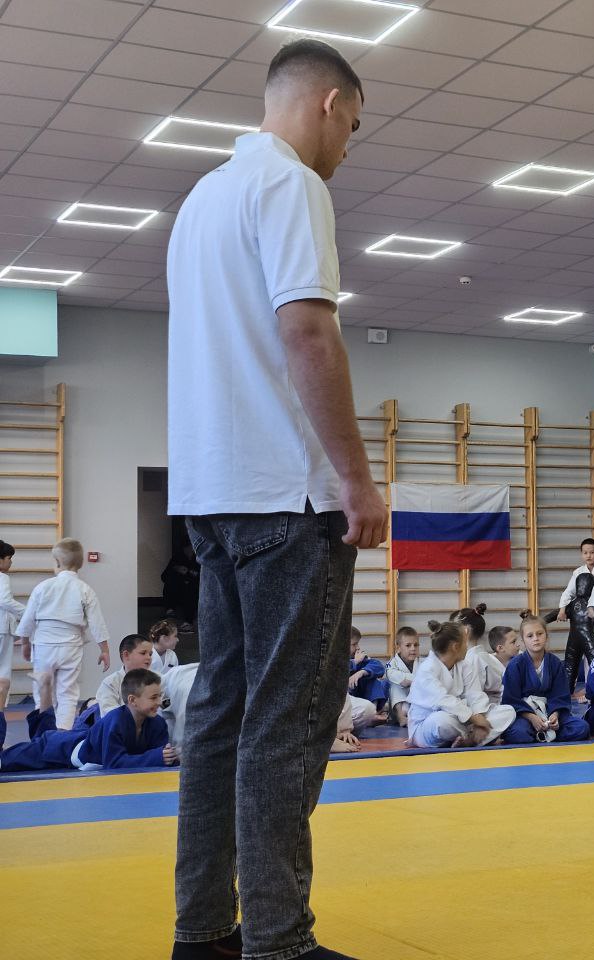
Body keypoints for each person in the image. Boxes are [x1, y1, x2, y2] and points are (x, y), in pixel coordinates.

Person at [167, 37, 387, 960]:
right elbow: (305, 331)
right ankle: (281, 943)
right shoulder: (292, 184)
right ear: (330, 103)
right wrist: (357, 476)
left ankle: (205, 932)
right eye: (354, 127)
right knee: (289, 719)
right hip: (285, 496)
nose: (348, 147)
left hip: (211, 491)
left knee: (221, 715)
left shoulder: (199, 201)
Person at [1, 668, 177, 772]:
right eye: (153, 697)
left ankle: (45, 688)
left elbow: (161, 756)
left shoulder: (157, 723)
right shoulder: (115, 721)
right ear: (132, 700)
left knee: (44, 734)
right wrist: (157, 756)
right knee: (6, 760)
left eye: (159, 696)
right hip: (63, 749)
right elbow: (114, 763)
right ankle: (3, 698)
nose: (159, 702)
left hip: (76, 741)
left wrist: (170, 756)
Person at [16, 538, 110, 730]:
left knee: (43, 689)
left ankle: (42, 733)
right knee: (68, 692)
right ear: (80, 565)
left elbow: (28, 618)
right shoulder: (85, 589)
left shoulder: (43, 587)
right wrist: (105, 650)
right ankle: (63, 734)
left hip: (44, 644)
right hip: (71, 646)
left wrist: (25, 642)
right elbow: (97, 622)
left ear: (57, 563)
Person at [407, 621, 515, 748]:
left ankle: (470, 741)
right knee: (441, 721)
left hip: (464, 720)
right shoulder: (427, 669)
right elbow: (442, 699)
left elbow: (475, 695)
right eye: (465, 642)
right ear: (455, 647)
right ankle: (475, 738)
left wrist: (480, 717)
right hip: (426, 725)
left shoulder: (465, 665)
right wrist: (474, 719)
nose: (467, 646)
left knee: (508, 711)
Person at [502, 611, 589, 744]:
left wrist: (555, 715)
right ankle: (545, 734)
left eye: (539, 634)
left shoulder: (555, 663)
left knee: (581, 728)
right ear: (523, 641)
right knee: (518, 733)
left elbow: (561, 695)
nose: (535, 638)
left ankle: (547, 732)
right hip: (525, 715)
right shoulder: (515, 665)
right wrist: (531, 717)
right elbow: (511, 699)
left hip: (550, 712)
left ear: (546, 636)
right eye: (530, 636)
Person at [94, 634, 156, 716]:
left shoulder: (156, 680)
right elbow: (110, 716)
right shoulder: (110, 683)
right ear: (126, 655)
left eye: (150, 654)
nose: (148, 657)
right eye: (143, 653)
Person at [558, 571, 594, 700]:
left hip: (576, 639)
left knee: (574, 665)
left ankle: (590, 692)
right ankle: (572, 692)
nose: (582, 587)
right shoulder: (590, 605)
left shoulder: (590, 604)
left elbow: (555, 614)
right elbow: (557, 614)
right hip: (587, 640)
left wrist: (542, 620)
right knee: (589, 664)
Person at [466, 624, 520, 707]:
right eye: (513, 642)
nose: (518, 644)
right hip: (496, 704)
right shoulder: (486, 662)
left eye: (517, 640)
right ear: (500, 648)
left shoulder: (520, 657)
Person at [554, 537, 594, 622]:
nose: (588, 556)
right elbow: (569, 592)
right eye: (585, 553)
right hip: (582, 610)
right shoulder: (578, 572)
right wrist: (562, 610)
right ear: (581, 554)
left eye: (592, 552)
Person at [0, 539, 24, 709]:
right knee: (3, 671)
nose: (10, 562)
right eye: (9, 558)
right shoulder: (2, 578)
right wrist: (27, 613)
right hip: (1, 629)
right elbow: (5, 600)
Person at [348, 626, 388, 710]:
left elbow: (379, 667)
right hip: (348, 701)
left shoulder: (359, 657)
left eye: (358, 643)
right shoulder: (336, 659)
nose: (358, 647)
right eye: (354, 644)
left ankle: (374, 709)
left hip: (361, 697)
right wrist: (355, 662)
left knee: (380, 682)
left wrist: (361, 672)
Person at [386, 627, 419, 727]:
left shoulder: (423, 662)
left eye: (416, 645)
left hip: (416, 705)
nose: (413, 648)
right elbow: (393, 675)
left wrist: (410, 680)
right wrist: (416, 680)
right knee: (395, 686)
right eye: (408, 645)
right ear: (398, 647)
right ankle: (401, 718)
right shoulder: (391, 663)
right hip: (399, 706)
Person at [161, 542, 201, 623]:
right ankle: (170, 610)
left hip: (194, 587)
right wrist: (176, 569)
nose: (189, 551)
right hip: (179, 586)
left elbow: (201, 577)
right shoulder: (177, 558)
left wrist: (189, 572)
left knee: (191, 587)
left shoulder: (199, 558)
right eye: (186, 548)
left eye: (191, 548)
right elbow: (164, 576)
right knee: (171, 579)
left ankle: (189, 619)